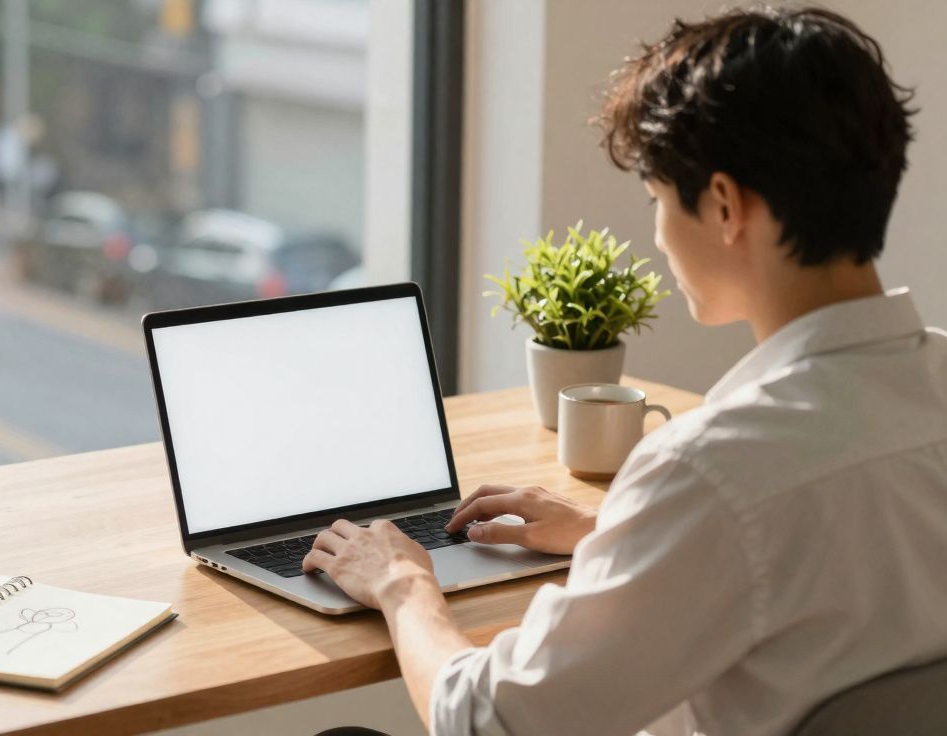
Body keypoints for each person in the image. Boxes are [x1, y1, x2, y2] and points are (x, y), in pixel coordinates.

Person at [301, 6, 947, 735]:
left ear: (727, 205)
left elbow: (485, 722)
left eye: (659, 201)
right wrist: (619, 531)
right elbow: (832, 554)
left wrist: (403, 582)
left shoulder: (712, 470)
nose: (660, 236)